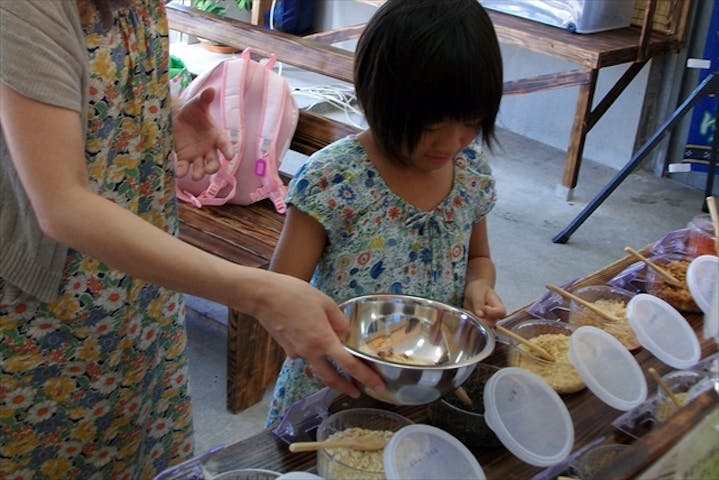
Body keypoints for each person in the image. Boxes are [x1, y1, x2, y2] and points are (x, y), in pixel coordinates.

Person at [0, 1, 384, 477]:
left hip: (142, 283)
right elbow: (62, 206)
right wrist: (257, 292)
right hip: (48, 311)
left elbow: (87, 80)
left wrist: (169, 109)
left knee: (136, 445)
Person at [265, 0, 507, 428]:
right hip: (335, 383)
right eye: (431, 126)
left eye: (470, 121)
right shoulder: (334, 179)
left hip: (427, 382)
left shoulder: (469, 172)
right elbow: (280, 294)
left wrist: (480, 286)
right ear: (381, 99)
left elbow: (478, 259)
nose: (450, 143)